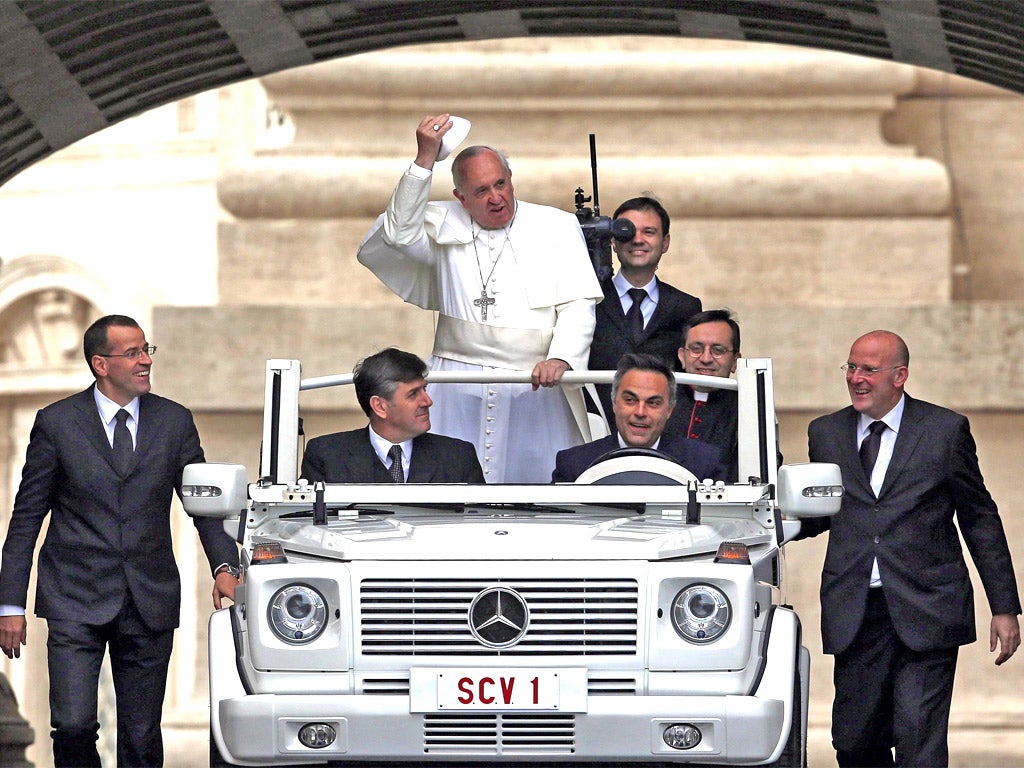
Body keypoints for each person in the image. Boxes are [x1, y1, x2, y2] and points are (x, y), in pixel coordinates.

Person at [0, 314, 240, 768]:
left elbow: (204, 505)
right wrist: (9, 605)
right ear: (100, 364)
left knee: (141, 734)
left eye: (147, 350)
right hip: (74, 596)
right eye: (132, 353)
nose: (145, 360)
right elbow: (26, 519)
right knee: (71, 726)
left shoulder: (174, 421)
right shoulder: (56, 423)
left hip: (148, 598)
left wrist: (225, 568)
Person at [796, 330, 1021, 767]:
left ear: (900, 376)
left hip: (928, 608)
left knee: (919, 742)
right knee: (855, 741)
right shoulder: (825, 432)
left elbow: (979, 517)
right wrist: (771, 520)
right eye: (851, 367)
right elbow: (821, 512)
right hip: (856, 610)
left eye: (869, 370)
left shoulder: (944, 430)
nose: (857, 378)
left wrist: (1004, 606)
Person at [357, 113, 603, 483]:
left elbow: (578, 303)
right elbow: (396, 233)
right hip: (456, 385)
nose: (496, 198)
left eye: (501, 184)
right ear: (460, 197)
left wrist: (562, 357)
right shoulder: (442, 222)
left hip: (534, 384)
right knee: (446, 483)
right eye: (481, 192)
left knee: (537, 487)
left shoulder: (556, 225)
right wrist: (425, 160)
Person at [587, 196, 701, 428]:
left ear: (665, 242)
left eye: (649, 232)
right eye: (627, 232)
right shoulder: (588, 300)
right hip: (594, 429)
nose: (638, 240)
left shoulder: (686, 307)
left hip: (664, 434)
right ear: (614, 242)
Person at [301, 348, 484, 483]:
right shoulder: (326, 456)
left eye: (425, 389)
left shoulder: (459, 456)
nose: (427, 401)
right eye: (413, 394)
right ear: (379, 406)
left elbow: (480, 524)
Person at [552, 353, 725, 483]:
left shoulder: (704, 465)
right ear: (614, 403)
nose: (640, 412)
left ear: (669, 410)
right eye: (630, 400)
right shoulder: (573, 465)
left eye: (653, 403)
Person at [665, 309, 741, 481]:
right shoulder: (657, 402)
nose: (706, 358)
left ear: (735, 361)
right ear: (682, 356)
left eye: (718, 350)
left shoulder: (748, 408)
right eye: (696, 349)